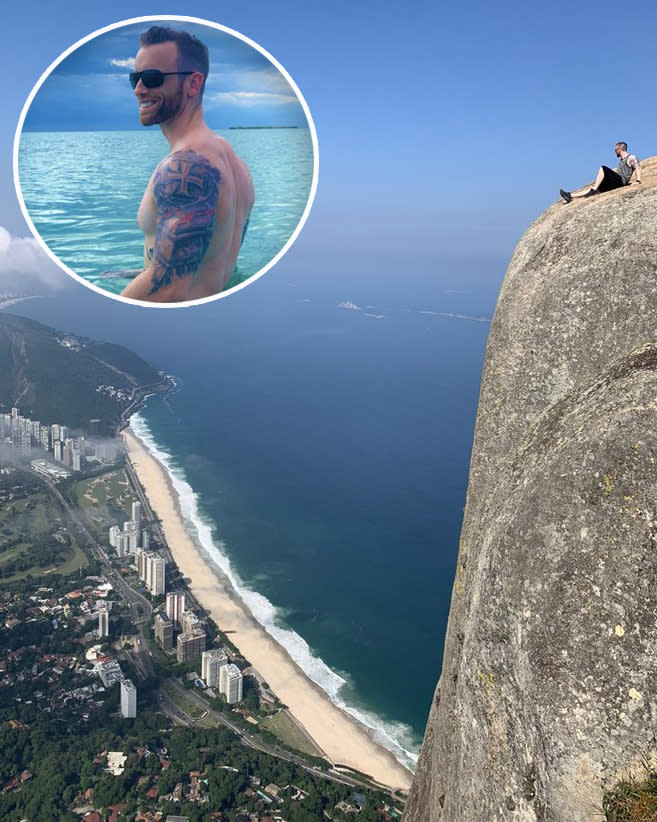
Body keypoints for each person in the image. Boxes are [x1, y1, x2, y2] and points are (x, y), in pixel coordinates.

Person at [121, 26, 255, 303]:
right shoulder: (232, 160)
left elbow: (170, 288)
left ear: (193, 84)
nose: (138, 89)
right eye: (135, 77)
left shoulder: (184, 167)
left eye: (152, 78)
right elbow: (207, 261)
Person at [559, 142, 641, 203]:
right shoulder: (621, 160)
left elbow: (637, 167)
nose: (615, 152)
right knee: (597, 188)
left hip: (621, 181)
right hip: (617, 182)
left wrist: (638, 180)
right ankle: (570, 196)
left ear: (620, 149)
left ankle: (593, 190)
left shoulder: (631, 157)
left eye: (615, 150)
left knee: (603, 168)